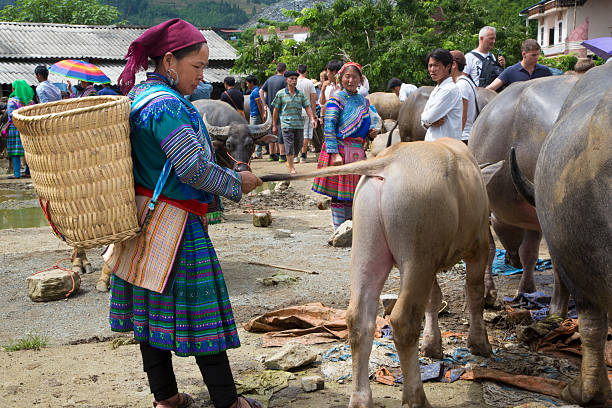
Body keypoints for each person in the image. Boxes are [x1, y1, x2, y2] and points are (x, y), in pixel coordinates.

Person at [112, 18, 263, 408]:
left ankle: (166, 398)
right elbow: (192, 168)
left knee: (148, 315)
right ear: (169, 61)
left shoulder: (140, 96)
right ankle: (229, 402)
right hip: (175, 225)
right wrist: (235, 182)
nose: (202, 76)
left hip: (141, 218)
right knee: (203, 312)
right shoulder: (168, 108)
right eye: (197, 66)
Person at [312, 62, 379, 230]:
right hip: (340, 151)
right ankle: (339, 229)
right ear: (341, 79)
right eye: (347, 76)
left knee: (354, 194)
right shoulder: (336, 99)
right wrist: (334, 153)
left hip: (357, 152)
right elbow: (329, 127)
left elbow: (363, 127)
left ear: (360, 80)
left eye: (354, 77)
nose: (350, 80)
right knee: (339, 195)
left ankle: (351, 228)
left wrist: (370, 134)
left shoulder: (364, 102)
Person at [271, 71, 317, 174]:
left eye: (295, 79)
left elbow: (307, 107)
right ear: (286, 80)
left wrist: (312, 118)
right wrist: (274, 125)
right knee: (289, 145)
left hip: (299, 124)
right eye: (291, 79)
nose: (294, 81)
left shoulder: (300, 94)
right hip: (286, 124)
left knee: (299, 144)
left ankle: (289, 161)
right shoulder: (281, 94)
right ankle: (291, 166)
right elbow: (276, 110)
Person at [420, 48, 463, 141]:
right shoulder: (437, 89)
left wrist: (427, 120)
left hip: (445, 147)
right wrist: (428, 122)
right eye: (430, 65)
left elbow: (428, 117)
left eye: (436, 65)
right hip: (435, 145)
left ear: (448, 66)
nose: (432, 69)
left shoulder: (449, 90)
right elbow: (425, 119)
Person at [486, 39, 551, 92]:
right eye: (533, 55)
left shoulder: (545, 71)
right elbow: (490, 89)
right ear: (524, 54)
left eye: (538, 54)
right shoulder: (510, 71)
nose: (537, 57)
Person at [6, 80, 34, 179]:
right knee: (28, 150)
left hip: (15, 128)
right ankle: (28, 172)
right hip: (27, 129)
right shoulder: (31, 102)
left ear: (14, 89)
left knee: (15, 151)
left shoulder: (12, 100)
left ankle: (17, 174)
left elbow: (10, 115)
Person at [260, 63, 287, 162]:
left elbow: (260, 91)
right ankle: (282, 154)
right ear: (285, 70)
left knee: (272, 129)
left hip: (271, 108)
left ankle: (272, 154)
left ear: (276, 69)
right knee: (281, 129)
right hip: (281, 108)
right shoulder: (284, 80)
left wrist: (264, 105)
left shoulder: (270, 79)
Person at [450, 50, 478, 144]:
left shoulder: (461, 85)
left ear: (454, 65)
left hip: (463, 136)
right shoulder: (467, 81)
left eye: (445, 64)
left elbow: (462, 115)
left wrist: (455, 139)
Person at [296, 64, 318, 163]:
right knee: (306, 133)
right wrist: (314, 113)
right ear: (306, 71)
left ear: (297, 71)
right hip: (307, 111)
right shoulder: (309, 83)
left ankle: (295, 155)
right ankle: (303, 155)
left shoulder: (293, 82)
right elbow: (313, 99)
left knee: (296, 133)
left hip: (295, 111)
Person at [245, 75, 266, 159]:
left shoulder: (255, 91)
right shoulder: (255, 90)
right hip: (254, 114)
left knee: (254, 134)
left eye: (247, 83)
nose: (246, 85)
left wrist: (262, 115)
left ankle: (258, 153)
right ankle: (258, 152)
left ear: (251, 83)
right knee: (256, 134)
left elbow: (259, 105)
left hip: (255, 115)